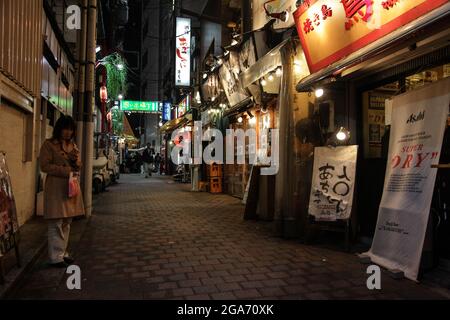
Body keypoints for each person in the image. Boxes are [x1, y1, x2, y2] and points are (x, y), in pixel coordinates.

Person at [39, 116, 85, 268]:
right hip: (56, 188)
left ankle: (62, 253)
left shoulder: (73, 146)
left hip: (70, 188)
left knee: (67, 222)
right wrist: (67, 170)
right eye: (65, 129)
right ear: (59, 128)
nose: (68, 132)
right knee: (56, 222)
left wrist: (75, 162)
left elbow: (78, 166)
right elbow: (44, 166)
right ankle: (55, 257)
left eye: (71, 129)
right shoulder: (49, 144)